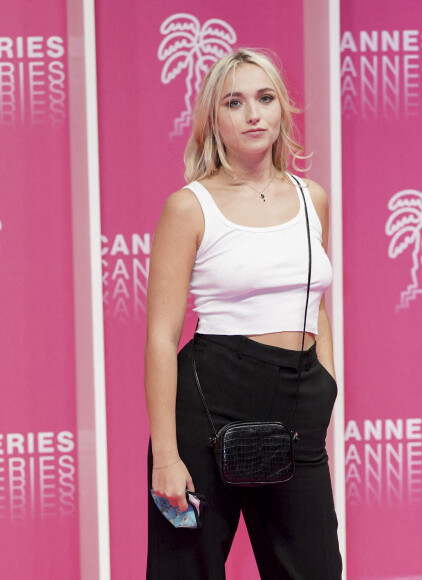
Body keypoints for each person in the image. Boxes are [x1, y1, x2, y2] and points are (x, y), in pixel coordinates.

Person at [145, 48, 342, 579]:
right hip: (209, 405)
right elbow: (162, 338)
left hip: (297, 408)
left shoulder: (312, 198)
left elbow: (314, 304)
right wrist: (166, 454)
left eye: (265, 98)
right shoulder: (189, 206)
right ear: (215, 119)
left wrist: (324, 381)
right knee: (189, 571)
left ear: (283, 110)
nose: (253, 114)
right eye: (235, 102)